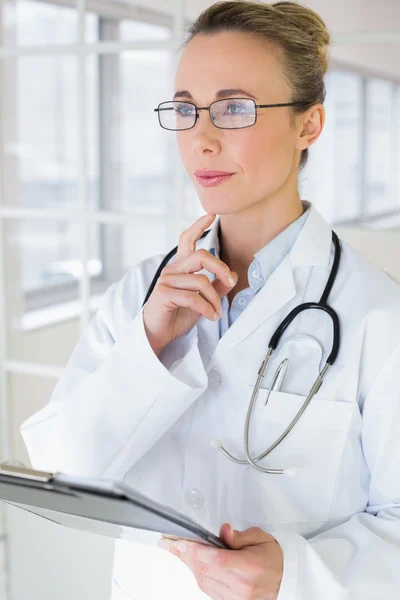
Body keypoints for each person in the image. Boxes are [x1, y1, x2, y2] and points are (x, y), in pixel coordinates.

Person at [20, 1, 400, 599]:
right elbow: (67, 475)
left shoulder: (380, 317)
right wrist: (145, 346)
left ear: (309, 125)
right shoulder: (139, 297)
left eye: (234, 108)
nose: (200, 138)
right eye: (185, 109)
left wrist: (296, 574)